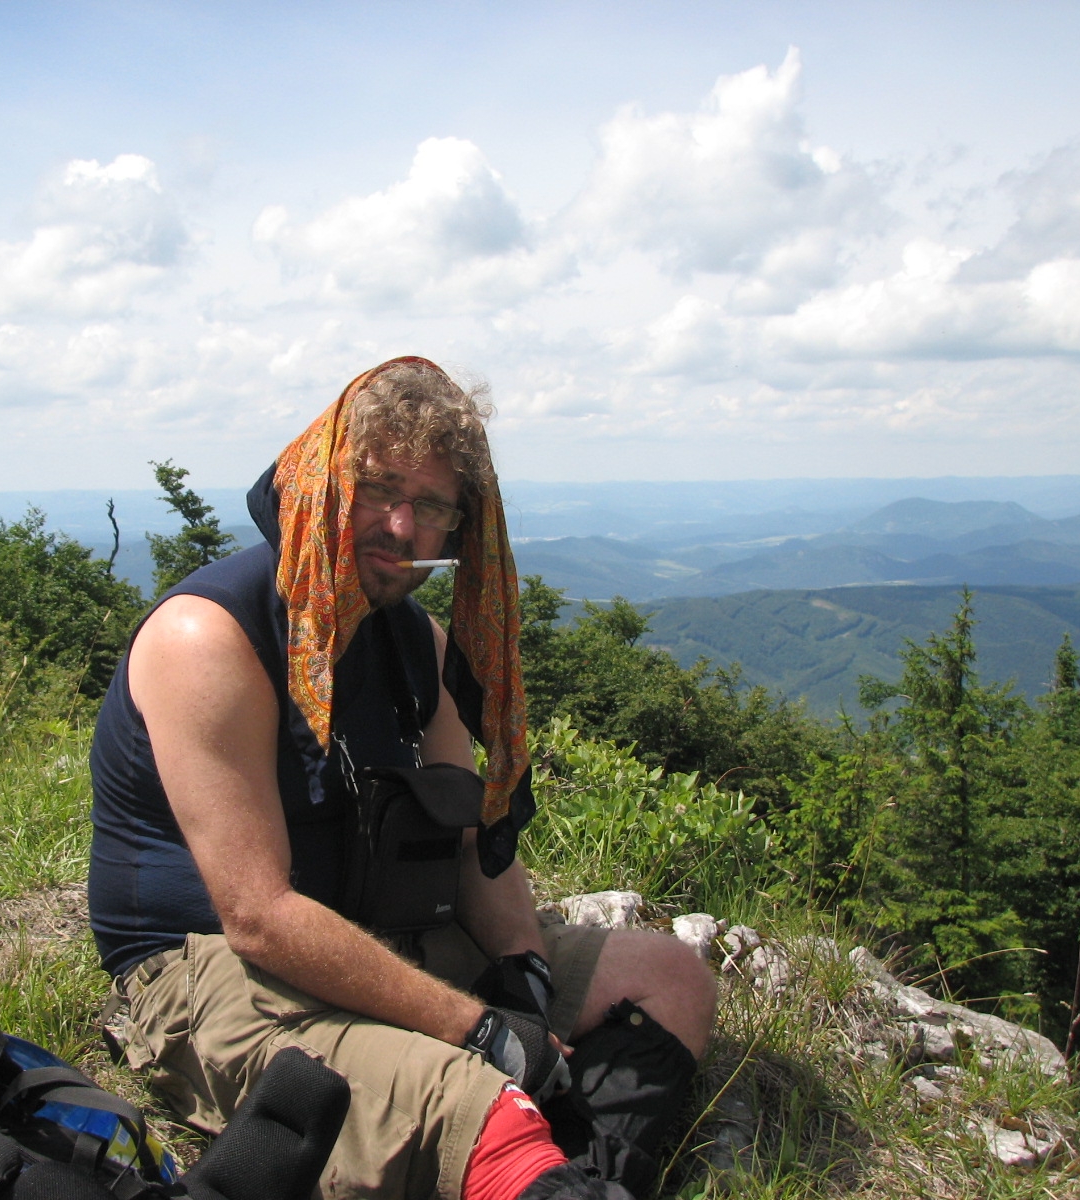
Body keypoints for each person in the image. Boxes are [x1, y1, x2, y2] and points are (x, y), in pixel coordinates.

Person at [89, 358, 717, 1200]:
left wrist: (523, 970)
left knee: (672, 980)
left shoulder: (414, 641)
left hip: (372, 931)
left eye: (431, 506)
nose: (400, 525)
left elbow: (465, 835)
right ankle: (532, 1160)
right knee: (477, 1103)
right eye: (378, 489)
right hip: (211, 972)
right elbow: (258, 918)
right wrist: (483, 1031)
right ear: (321, 484)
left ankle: (568, 1174)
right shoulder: (212, 638)